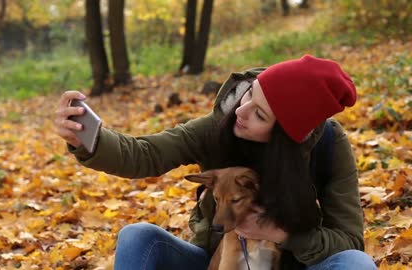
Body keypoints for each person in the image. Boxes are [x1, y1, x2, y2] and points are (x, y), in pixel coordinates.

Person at [54, 55, 377, 270]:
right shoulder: (220, 126)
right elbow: (146, 153)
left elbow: (349, 241)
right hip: (217, 261)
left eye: (259, 114)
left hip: (299, 263)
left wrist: (282, 234)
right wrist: (88, 140)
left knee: (356, 264)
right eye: (250, 94)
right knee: (138, 236)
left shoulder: (329, 147)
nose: (241, 110)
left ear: (285, 137)